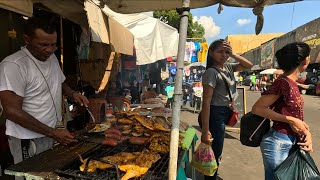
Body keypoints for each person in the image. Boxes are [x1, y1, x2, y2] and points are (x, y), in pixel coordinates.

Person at [0, 17, 89, 176]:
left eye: (53, 44)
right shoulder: (14, 65)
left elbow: (59, 81)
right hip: (27, 139)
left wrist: (73, 93)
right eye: (43, 45)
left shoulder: (51, 57)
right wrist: (52, 132)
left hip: (51, 132)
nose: (50, 49)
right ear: (27, 39)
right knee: (32, 177)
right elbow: (11, 111)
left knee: (50, 175)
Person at [252, 42, 313, 180]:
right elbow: (257, 109)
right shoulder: (282, 82)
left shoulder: (292, 83)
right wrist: (290, 120)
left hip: (293, 141)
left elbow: (296, 115)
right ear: (306, 59)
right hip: (278, 143)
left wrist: (307, 133)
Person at [200, 39, 253, 179]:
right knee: (214, 153)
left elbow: (249, 65)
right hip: (215, 113)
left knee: (216, 151)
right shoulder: (211, 72)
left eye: (226, 52)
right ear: (211, 53)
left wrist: (233, 54)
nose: (224, 55)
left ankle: (211, 176)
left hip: (225, 112)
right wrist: (205, 131)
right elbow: (206, 102)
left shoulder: (228, 67)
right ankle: (210, 177)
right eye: (220, 52)